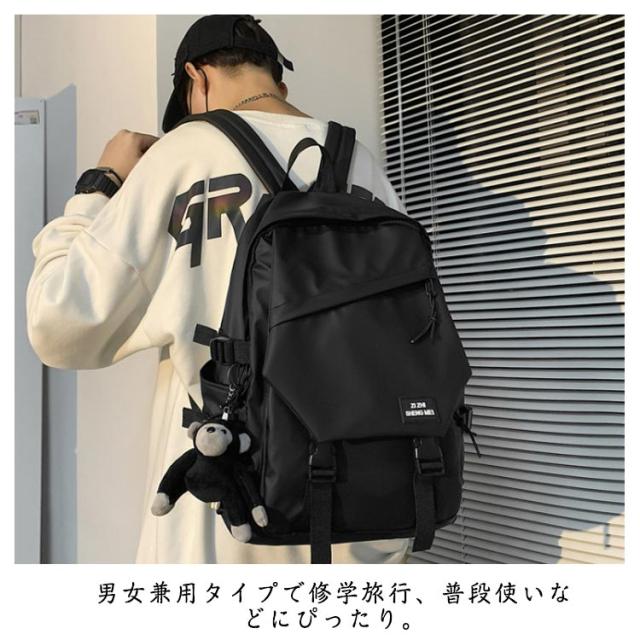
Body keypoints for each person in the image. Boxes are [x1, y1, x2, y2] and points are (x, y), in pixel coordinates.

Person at [26, 14, 412, 564]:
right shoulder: (361, 164)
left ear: (196, 78)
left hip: (222, 521)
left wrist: (99, 185)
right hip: (358, 518)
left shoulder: (184, 151)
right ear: (279, 82)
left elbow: (58, 322)